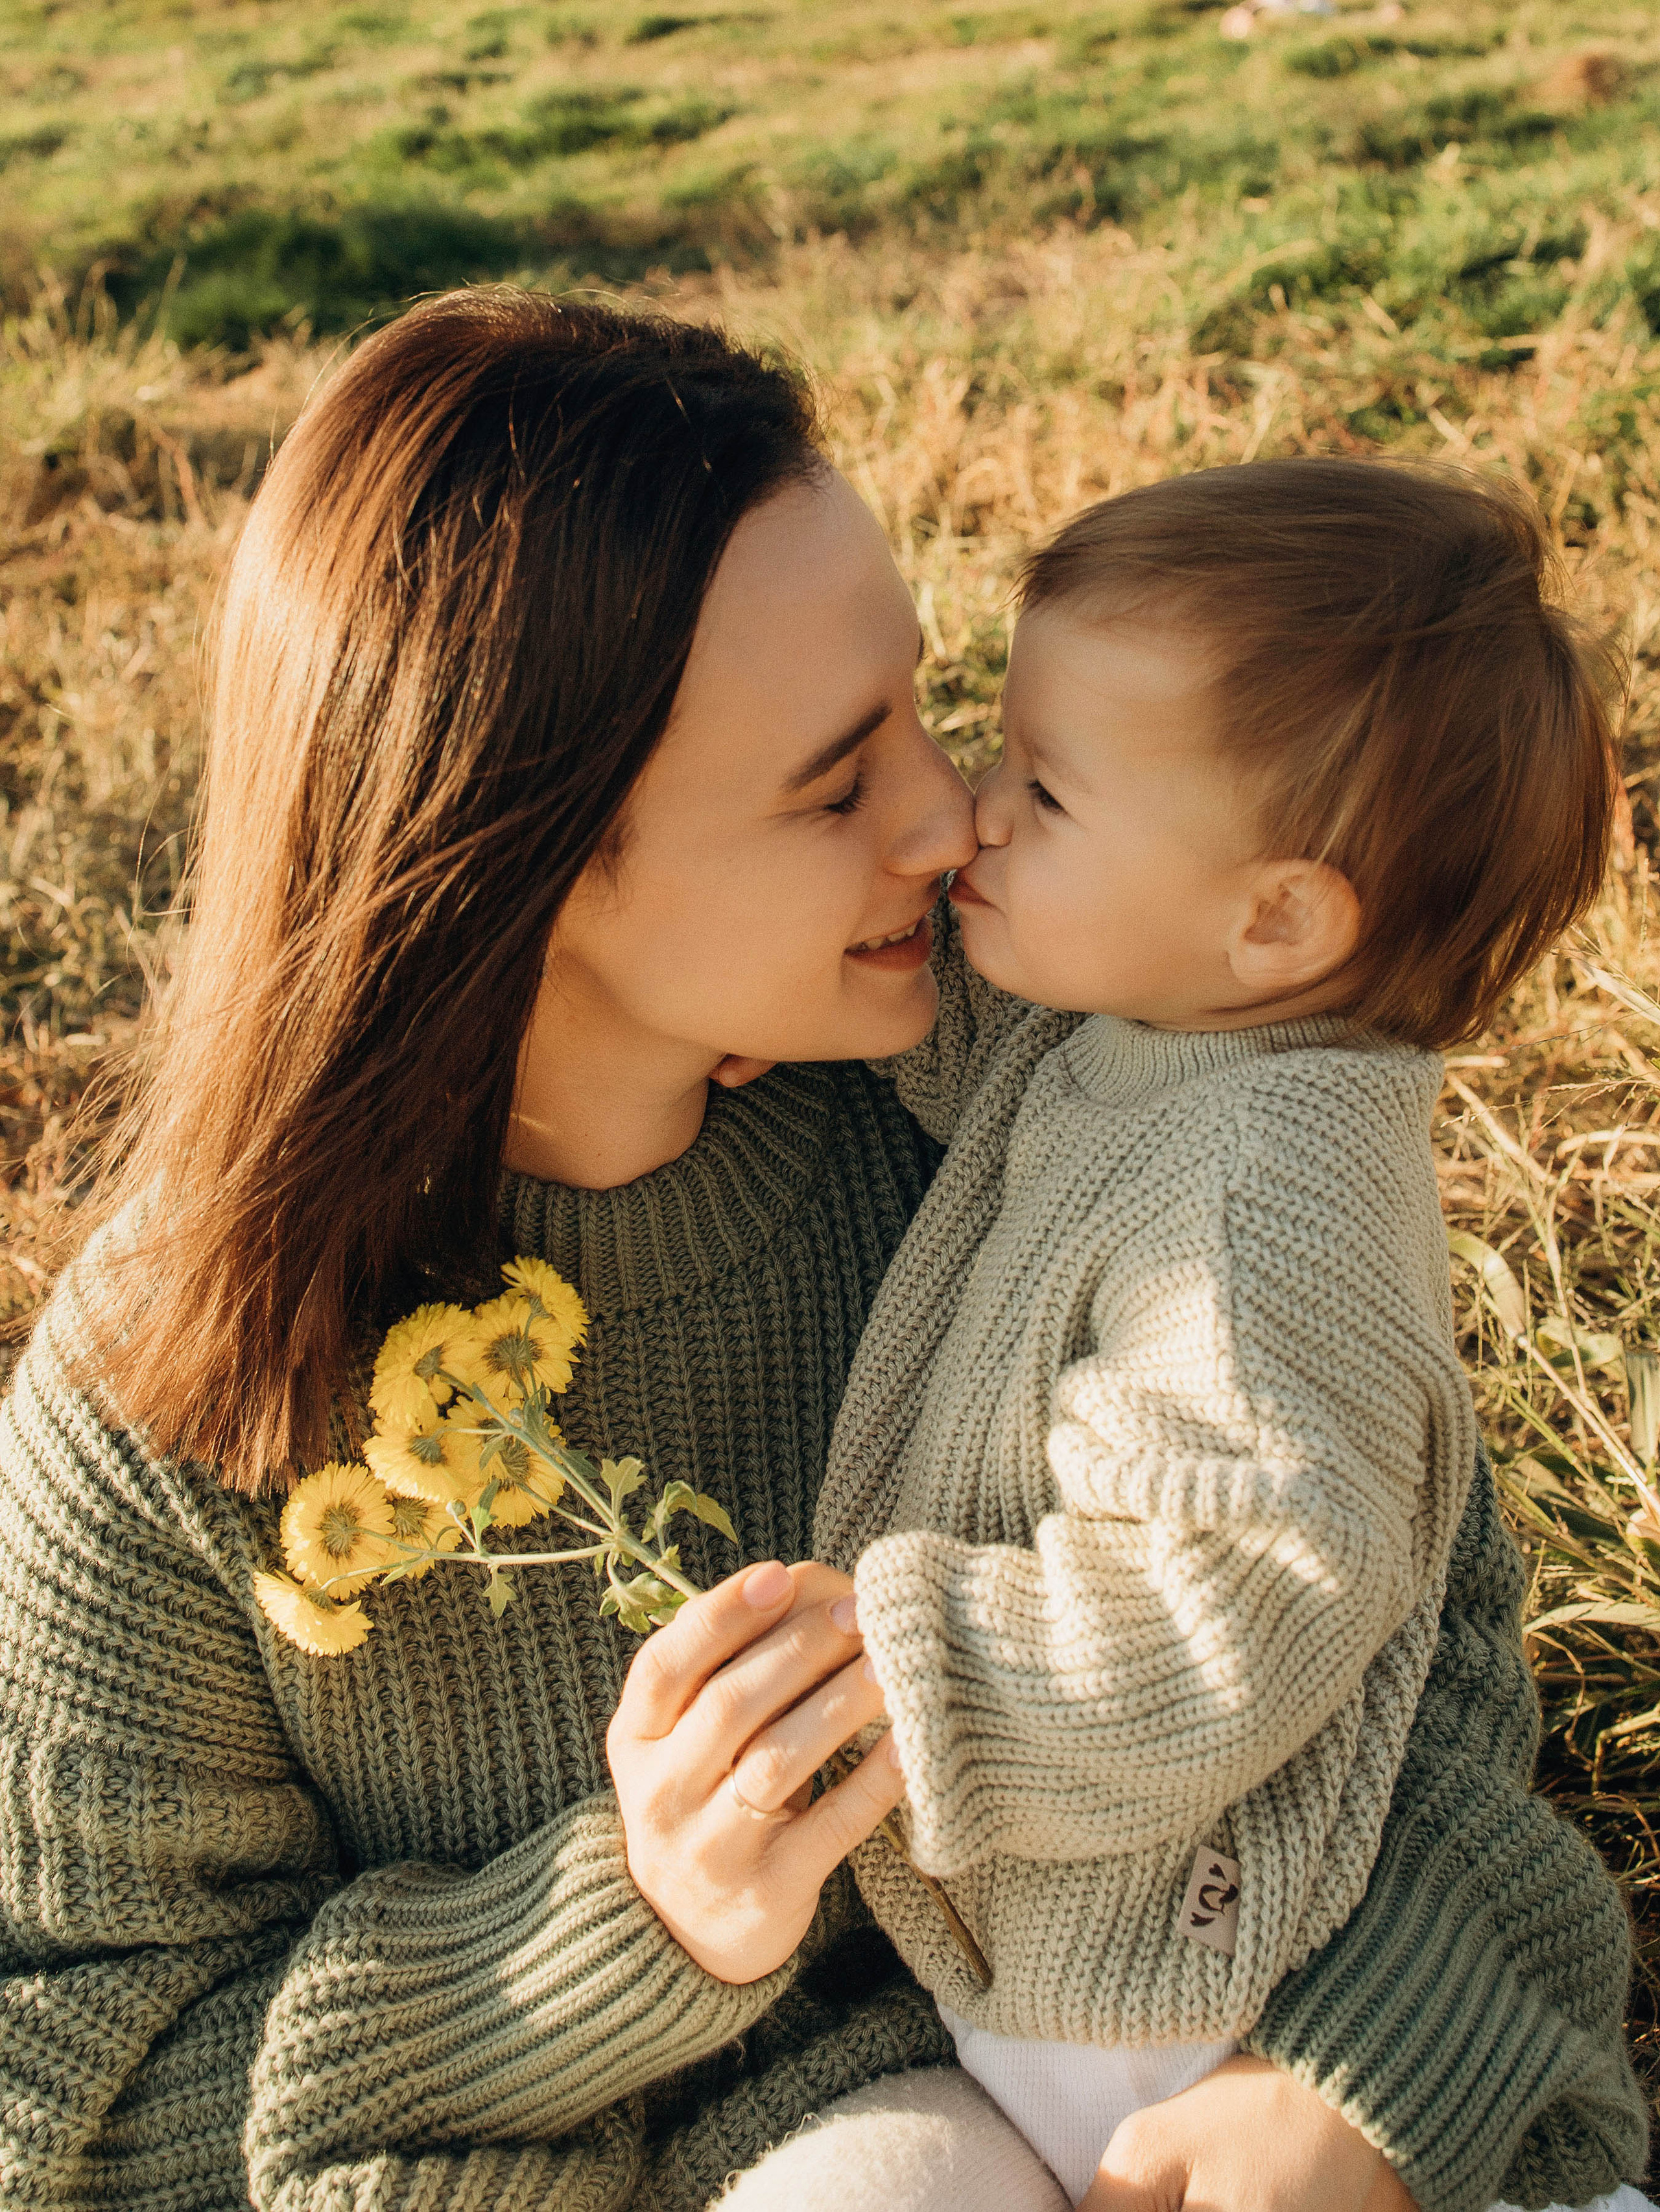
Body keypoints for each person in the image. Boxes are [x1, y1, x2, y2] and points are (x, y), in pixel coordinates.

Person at [0, 292, 1642, 2212]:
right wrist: (623, 1927)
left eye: (933, 720)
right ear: (517, 861)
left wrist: (1364, 2072)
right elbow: (64, 2097)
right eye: (836, 778)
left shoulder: (1051, 1071)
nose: (949, 818)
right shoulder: (171, 1392)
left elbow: (1404, 1621)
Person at [805, 458, 1648, 2209]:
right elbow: (985, 1070)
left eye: (1040, 786)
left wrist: (904, 1677)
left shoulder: (1266, 1193)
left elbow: (1238, 1585)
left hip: (1232, 2005)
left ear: (1275, 916)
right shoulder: (1149, 1030)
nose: (971, 811)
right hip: (1102, 1999)